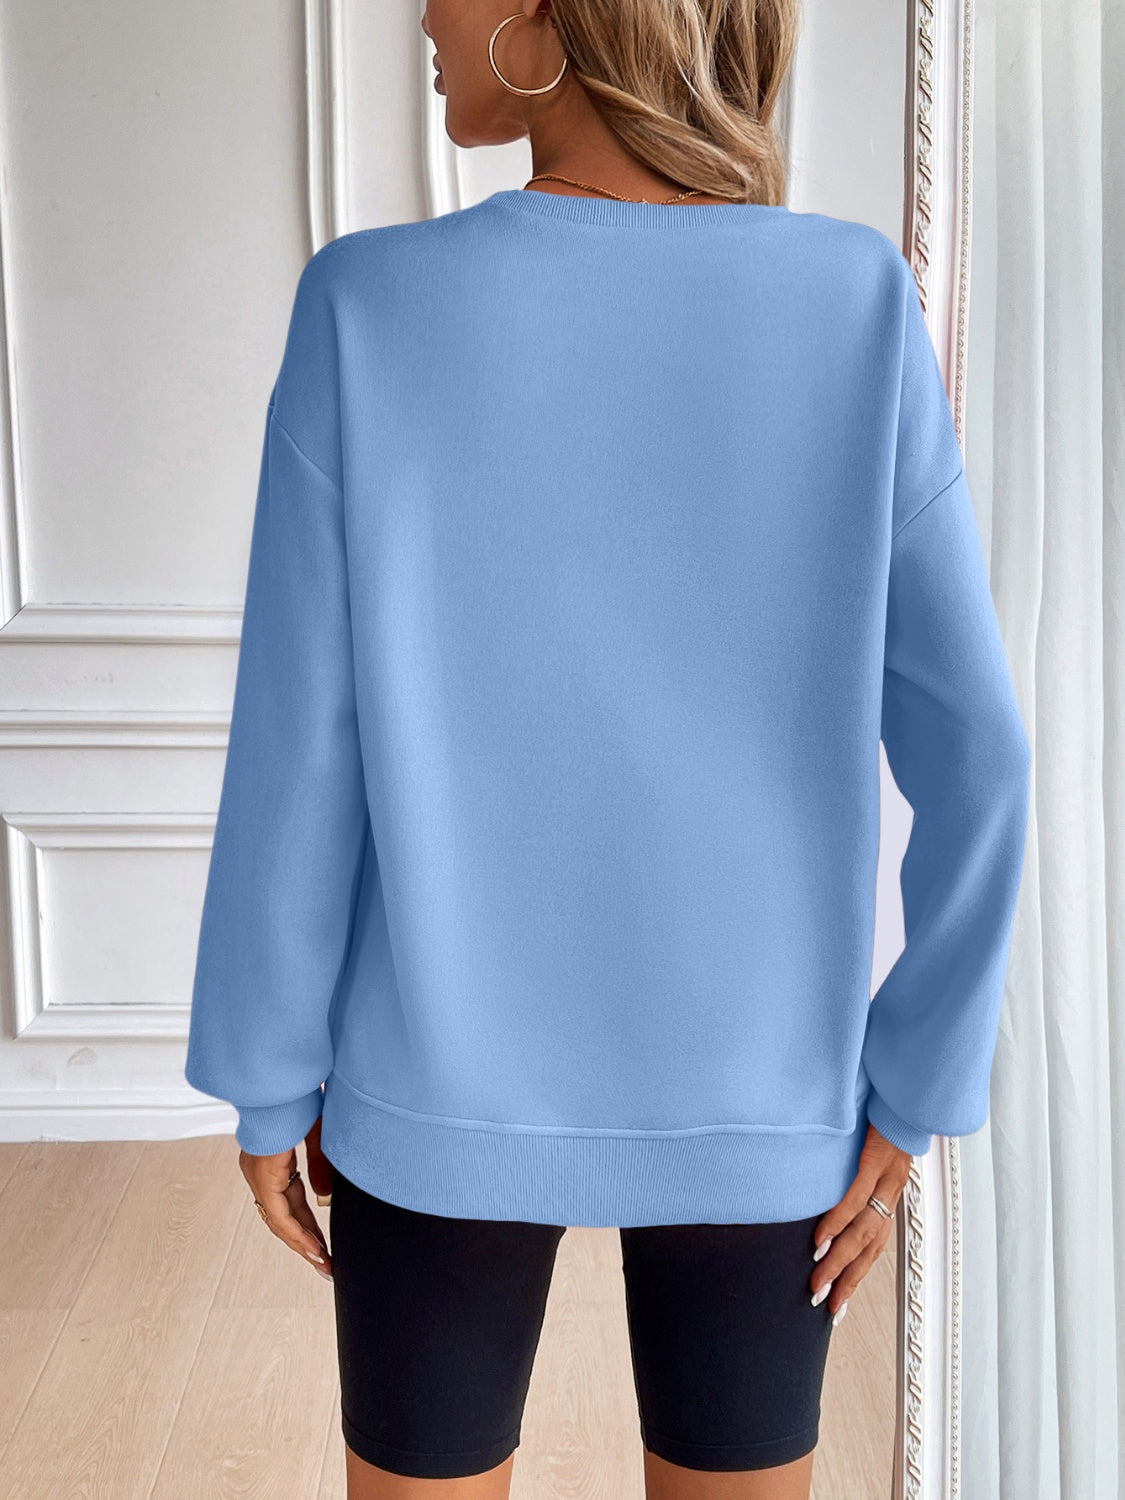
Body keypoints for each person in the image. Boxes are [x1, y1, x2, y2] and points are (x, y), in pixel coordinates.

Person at [184, 1, 1032, 1496]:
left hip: (431, 1083)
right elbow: (982, 756)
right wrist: (917, 1084)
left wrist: (268, 1073)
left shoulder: (368, 308)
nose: (423, 15)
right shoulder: (849, 302)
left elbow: (301, 748)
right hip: (762, 1093)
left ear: (546, 14)